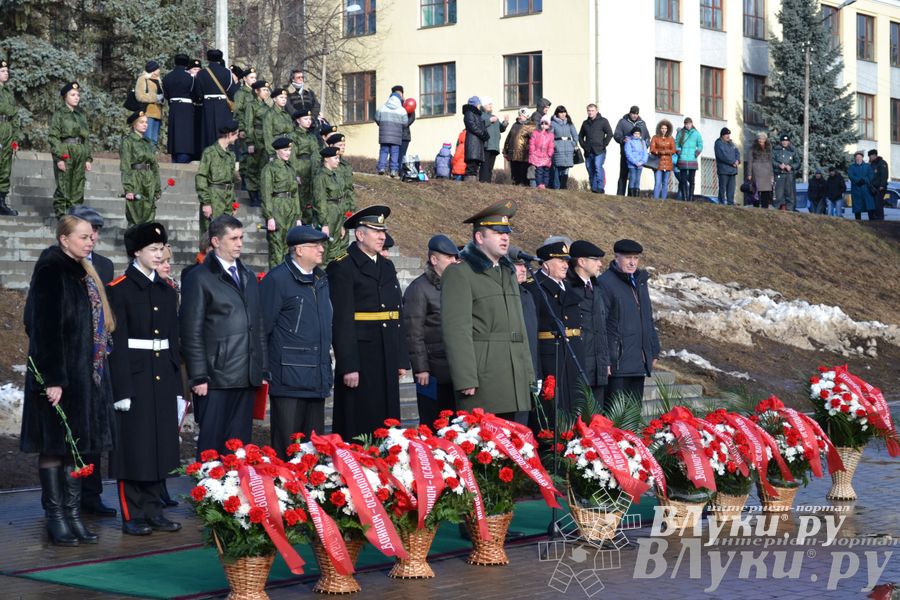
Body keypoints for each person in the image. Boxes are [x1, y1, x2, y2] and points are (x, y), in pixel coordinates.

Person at [21, 215, 116, 546]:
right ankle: (56, 518)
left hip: (82, 376)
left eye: (92, 237)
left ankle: (73, 515)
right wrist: (54, 379)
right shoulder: (52, 270)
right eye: (84, 237)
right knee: (54, 447)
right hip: (58, 377)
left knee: (74, 448)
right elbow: (42, 328)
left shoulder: (82, 273)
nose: (91, 242)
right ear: (64, 239)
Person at [107, 223, 182, 536]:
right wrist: (122, 387)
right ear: (136, 251)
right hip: (135, 377)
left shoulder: (166, 291)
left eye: (161, 248)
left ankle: (154, 510)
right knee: (134, 446)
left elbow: (172, 340)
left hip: (162, 376)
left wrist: (178, 387)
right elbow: (117, 343)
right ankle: (132, 513)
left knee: (160, 444)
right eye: (152, 249)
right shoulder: (120, 289)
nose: (158, 254)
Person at [180, 215, 266, 455]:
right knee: (212, 443)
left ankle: (235, 490)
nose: (239, 243)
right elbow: (191, 330)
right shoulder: (199, 277)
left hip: (246, 374)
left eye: (241, 238)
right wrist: (198, 376)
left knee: (239, 446)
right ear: (216, 241)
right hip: (215, 376)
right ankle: (206, 490)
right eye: (233, 238)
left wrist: (261, 368)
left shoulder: (248, 275)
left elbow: (257, 324)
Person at [441, 201, 535, 419]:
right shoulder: (461, 273)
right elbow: (456, 330)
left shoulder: (507, 272)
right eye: (497, 232)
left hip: (513, 374)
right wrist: (465, 378)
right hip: (484, 376)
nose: (505, 238)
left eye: (506, 233)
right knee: (485, 447)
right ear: (479, 238)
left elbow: (519, 328)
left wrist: (528, 374)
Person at [326, 205, 408, 439]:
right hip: (361, 355)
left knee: (388, 418)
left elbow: (396, 313)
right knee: (359, 418)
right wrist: (348, 364)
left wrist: (401, 356)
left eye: (383, 231)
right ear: (360, 235)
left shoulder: (387, 265)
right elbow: (341, 321)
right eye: (376, 231)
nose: (383, 236)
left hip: (387, 351)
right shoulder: (342, 266)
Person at [260, 225, 333, 457]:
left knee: (313, 448)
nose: (322, 249)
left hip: (316, 375)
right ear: (299, 250)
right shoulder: (278, 279)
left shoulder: (321, 279)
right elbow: (263, 329)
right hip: (288, 377)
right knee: (287, 445)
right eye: (316, 245)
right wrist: (263, 369)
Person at [403, 235, 461, 427]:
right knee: (433, 423)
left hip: (456, 369)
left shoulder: (455, 285)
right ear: (434, 260)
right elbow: (413, 331)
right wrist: (421, 368)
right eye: (450, 257)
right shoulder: (419, 288)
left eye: (456, 257)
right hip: (432, 372)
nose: (455, 261)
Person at [524, 241, 584, 419]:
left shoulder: (569, 287)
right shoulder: (534, 288)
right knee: (553, 409)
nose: (566, 265)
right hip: (550, 356)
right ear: (545, 263)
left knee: (573, 407)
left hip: (572, 353)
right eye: (560, 261)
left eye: (567, 261)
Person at [598, 239, 660, 406]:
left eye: (636, 258)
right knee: (615, 417)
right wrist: (606, 359)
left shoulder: (640, 282)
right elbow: (601, 325)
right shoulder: (605, 283)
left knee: (632, 417)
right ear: (616, 257)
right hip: (618, 364)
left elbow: (647, 318)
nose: (633, 262)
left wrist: (653, 349)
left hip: (639, 363)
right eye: (628, 258)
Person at [566, 240, 610, 409]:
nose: (600, 264)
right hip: (579, 365)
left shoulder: (597, 289)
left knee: (597, 421)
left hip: (598, 368)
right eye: (596, 259)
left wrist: (604, 362)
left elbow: (602, 329)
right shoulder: (569, 288)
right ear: (582, 262)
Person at [49, 82, 92, 218]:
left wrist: (88, 158)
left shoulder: (81, 116)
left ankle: (75, 217)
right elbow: (54, 137)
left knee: (78, 186)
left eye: (78, 95)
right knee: (64, 186)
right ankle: (62, 218)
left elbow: (86, 138)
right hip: (65, 150)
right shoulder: (59, 114)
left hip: (80, 151)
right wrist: (59, 157)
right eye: (72, 95)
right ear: (65, 97)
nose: (76, 97)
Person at [261, 137, 303, 269]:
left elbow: (295, 194)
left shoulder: (290, 169)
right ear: (277, 151)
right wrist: (269, 217)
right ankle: (275, 281)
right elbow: (266, 194)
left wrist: (298, 217)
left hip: (290, 208)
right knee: (277, 248)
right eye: (285, 150)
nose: (288, 153)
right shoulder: (269, 169)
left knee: (290, 247)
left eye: (289, 150)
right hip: (277, 208)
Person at [195, 119, 239, 241]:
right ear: (230, 134)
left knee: (226, 235)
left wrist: (234, 203)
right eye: (236, 134)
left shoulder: (231, 155)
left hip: (227, 198)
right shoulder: (210, 152)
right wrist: (206, 202)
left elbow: (231, 181)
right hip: (214, 197)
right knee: (210, 234)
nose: (237, 138)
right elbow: (201, 177)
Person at [313, 146, 356, 265]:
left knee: (336, 250)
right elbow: (320, 202)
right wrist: (324, 224)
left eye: (338, 158)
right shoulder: (321, 177)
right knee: (325, 250)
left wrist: (342, 223)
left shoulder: (336, 176)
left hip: (338, 214)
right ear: (326, 159)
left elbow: (341, 199)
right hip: (328, 215)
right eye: (335, 158)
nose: (338, 160)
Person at [120, 111, 161, 225]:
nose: (145, 125)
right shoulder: (128, 141)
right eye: (141, 122)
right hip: (135, 179)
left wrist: (157, 187)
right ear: (134, 124)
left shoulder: (148, 143)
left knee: (149, 214)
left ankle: (146, 242)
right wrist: (128, 188)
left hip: (149, 179)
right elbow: (125, 165)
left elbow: (154, 166)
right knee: (135, 215)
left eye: (146, 122)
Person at [162, 54, 201, 163]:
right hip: (187, 108)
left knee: (174, 135)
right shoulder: (190, 78)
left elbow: (167, 95)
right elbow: (196, 94)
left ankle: (175, 157)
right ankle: (183, 158)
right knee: (185, 136)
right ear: (187, 64)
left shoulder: (167, 77)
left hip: (174, 107)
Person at [196, 49, 236, 150]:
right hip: (222, 106)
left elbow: (198, 93)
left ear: (208, 59)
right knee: (222, 131)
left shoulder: (201, 73)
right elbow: (232, 91)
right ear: (220, 58)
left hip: (208, 105)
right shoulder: (227, 72)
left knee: (208, 132)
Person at [290, 105, 322, 225]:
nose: (308, 122)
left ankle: (308, 223)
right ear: (298, 120)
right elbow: (292, 156)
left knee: (310, 199)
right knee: (300, 198)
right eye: (305, 119)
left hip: (312, 169)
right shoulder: (293, 136)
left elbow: (317, 154)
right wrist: (295, 174)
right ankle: (300, 222)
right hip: (301, 168)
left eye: (309, 119)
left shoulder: (312, 136)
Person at [243, 80, 273, 207]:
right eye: (264, 90)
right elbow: (248, 124)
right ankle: (253, 196)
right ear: (257, 91)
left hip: (265, 141)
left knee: (263, 168)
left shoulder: (267, 107)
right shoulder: (251, 105)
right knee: (252, 168)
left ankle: (261, 195)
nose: (267, 92)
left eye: (267, 90)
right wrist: (250, 141)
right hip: (255, 139)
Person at [613, 106, 650, 196]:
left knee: (635, 177)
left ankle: (632, 196)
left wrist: (645, 145)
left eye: (636, 114)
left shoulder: (642, 123)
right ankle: (620, 195)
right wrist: (622, 139)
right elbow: (616, 135)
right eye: (633, 113)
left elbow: (647, 137)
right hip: (626, 154)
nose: (634, 115)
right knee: (623, 175)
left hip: (639, 157)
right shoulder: (623, 122)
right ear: (630, 113)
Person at [579, 104, 613, 194]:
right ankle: (594, 189)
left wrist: (604, 144)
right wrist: (584, 146)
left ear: (596, 111)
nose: (590, 112)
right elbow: (580, 136)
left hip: (599, 150)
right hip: (588, 151)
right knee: (590, 169)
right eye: (589, 110)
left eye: (592, 110)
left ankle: (600, 188)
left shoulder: (603, 121)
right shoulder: (585, 123)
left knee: (598, 167)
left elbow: (609, 133)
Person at [232, 66, 257, 188]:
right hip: (246, 130)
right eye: (251, 77)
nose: (254, 80)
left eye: (255, 77)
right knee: (245, 157)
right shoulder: (241, 93)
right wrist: (241, 128)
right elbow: (238, 112)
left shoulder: (256, 93)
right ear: (245, 79)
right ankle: (244, 186)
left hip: (256, 131)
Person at [0, 58, 19, 215]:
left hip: (7, 129)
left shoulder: (8, 92)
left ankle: (1, 202)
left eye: (7, 71)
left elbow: (14, 116)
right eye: (2, 71)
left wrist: (14, 139)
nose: (6, 74)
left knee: (5, 167)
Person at [374, 90, 407, 177]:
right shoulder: (402, 110)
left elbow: (377, 119)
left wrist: (381, 125)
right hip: (396, 137)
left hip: (384, 136)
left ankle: (381, 168)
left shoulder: (382, 108)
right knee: (395, 152)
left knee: (384, 151)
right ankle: (393, 170)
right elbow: (405, 123)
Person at [479, 96, 508, 183]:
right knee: (485, 166)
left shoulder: (494, 116)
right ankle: (483, 182)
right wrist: (489, 120)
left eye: (491, 104)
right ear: (484, 105)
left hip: (494, 146)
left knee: (490, 167)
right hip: (486, 145)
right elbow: (479, 126)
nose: (491, 106)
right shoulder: (481, 115)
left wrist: (505, 122)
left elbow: (501, 129)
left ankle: (488, 183)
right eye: (489, 104)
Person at [134, 61, 164, 144]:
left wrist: (161, 99)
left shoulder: (158, 80)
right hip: (148, 113)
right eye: (158, 68)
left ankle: (152, 156)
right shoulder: (143, 79)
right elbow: (140, 96)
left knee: (154, 140)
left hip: (158, 113)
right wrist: (155, 98)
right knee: (148, 138)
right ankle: (146, 156)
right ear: (153, 70)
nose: (159, 70)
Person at [549, 106, 578, 190]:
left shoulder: (569, 123)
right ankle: (556, 187)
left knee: (566, 168)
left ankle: (563, 187)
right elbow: (550, 136)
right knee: (557, 168)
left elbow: (575, 135)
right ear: (557, 113)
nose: (563, 114)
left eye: (564, 112)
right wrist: (555, 145)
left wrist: (573, 143)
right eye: (561, 112)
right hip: (558, 149)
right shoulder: (553, 123)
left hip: (568, 149)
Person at [503, 108, 535, 186]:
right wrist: (505, 150)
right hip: (513, 153)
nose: (520, 116)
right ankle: (515, 186)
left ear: (527, 116)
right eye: (519, 114)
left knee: (523, 175)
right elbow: (509, 137)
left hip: (524, 155)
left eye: (522, 115)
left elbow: (534, 140)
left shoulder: (531, 126)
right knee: (514, 174)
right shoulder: (515, 124)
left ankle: (524, 187)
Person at [462, 96, 490, 182]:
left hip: (477, 143)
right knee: (471, 165)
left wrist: (484, 133)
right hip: (473, 143)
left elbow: (480, 126)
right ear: (475, 104)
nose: (479, 105)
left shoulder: (477, 114)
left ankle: (472, 182)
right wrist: (483, 134)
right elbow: (472, 126)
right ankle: (469, 183)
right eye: (478, 104)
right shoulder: (469, 113)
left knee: (475, 165)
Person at [674, 118, 702, 201]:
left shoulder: (696, 133)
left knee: (692, 180)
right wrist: (678, 151)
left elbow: (700, 144)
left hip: (692, 159)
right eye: (686, 124)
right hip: (683, 159)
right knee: (683, 180)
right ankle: (684, 197)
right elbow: (676, 143)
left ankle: (690, 197)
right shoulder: (681, 133)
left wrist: (697, 152)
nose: (687, 125)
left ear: (692, 124)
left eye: (689, 124)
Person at [263, 88, 294, 161]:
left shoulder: (287, 115)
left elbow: (291, 132)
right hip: (276, 148)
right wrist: (271, 153)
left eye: (285, 98)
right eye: (281, 97)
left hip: (288, 149)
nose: (284, 100)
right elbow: (267, 135)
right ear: (274, 99)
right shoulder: (269, 114)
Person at [772, 134, 799, 211]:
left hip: (789, 175)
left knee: (790, 194)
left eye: (786, 141)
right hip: (779, 174)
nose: (785, 142)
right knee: (778, 194)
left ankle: (790, 210)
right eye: (783, 141)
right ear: (781, 141)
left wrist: (791, 166)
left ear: (789, 142)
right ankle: (775, 210)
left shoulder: (793, 150)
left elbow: (798, 162)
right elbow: (772, 161)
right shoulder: (775, 150)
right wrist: (779, 165)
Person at [714, 127, 740, 205]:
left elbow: (737, 152)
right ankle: (721, 203)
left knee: (731, 189)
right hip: (724, 170)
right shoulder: (718, 143)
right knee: (722, 188)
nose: (728, 136)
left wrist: (737, 160)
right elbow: (722, 156)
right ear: (722, 135)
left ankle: (730, 203)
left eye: (728, 134)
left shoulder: (731, 143)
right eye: (726, 134)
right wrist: (732, 162)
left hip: (732, 170)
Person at [649, 119, 675, 200]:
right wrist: (659, 152)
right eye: (662, 128)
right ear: (659, 129)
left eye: (665, 128)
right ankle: (655, 199)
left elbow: (673, 150)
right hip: (658, 163)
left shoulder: (671, 139)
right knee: (657, 182)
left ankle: (663, 200)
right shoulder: (655, 137)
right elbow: (652, 149)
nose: (664, 130)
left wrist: (665, 151)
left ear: (668, 129)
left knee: (665, 183)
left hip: (667, 163)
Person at [748, 132, 774, 208]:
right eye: (759, 138)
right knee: (756, 190)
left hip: (767, 172)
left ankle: (765, 207)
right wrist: (749, 173)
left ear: (765, 139)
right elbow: (750, 161)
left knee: (766, 191)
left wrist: (772, 174)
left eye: (763, 138)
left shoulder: (769, 147)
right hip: (756, 171)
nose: (761, 140)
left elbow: (770, 161)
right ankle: (755, 207)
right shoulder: (753, 147)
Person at [391, 85, 416, 162]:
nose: (398, 95)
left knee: (402, 155)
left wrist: (403, 125)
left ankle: (400, 172)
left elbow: (412, 117)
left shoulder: (407, 104)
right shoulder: (391, 104)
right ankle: (394, 171)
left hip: (404, 136)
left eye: (399, 93)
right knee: (394, 156)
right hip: (394, 135)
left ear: (402, 94)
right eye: (396, 93)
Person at [529, 115, 554, 189]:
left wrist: (550, 153)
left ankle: (545, 184)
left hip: (546, 156)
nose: (543, 125)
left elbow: (551, 145)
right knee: (539, 171)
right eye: (542, 123)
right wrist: (532, 151)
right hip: (537, 155)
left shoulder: (550, 135)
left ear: (549, 125)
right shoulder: (536, 133)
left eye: (546, 124)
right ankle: (539, 184)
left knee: (546, 171)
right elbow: (532, 143)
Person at [848, 151, 875, 221]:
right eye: (856, 157)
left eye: (859, 157)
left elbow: (871, 175)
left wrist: (864, 180)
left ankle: (872, 223)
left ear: (862, 158)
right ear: (855, 158)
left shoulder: (867, 166)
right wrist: (858, 180)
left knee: (869, 206)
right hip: (856, 190)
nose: (858, 158)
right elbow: (850, 175)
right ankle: (858, 223)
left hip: (866, 190)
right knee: (857, 208)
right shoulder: (851, 167)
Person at [624, 128, 647, 197]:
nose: (637, 135)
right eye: (635, 133)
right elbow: (628, 153)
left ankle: (636, 195)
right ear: (632, 134)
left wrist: (642, 161)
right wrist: (635, 162)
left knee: (638, 179)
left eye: (638, 134)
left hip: (640, 164)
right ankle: (631, 194)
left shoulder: (642, 142)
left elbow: (645, 153)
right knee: (632, 178)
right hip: (632, 164)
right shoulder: (629, 142)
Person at [867, 148, 888, 221]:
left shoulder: (882, 163)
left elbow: (884, 175)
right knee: (873, 205)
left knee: (878, 204)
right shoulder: (872, 164)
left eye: (870, 156)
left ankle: (879, 219)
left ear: (874, 155)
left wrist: (882, 185)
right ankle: (873, 219)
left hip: (879, 188)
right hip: (872, 188)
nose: (869, 158)